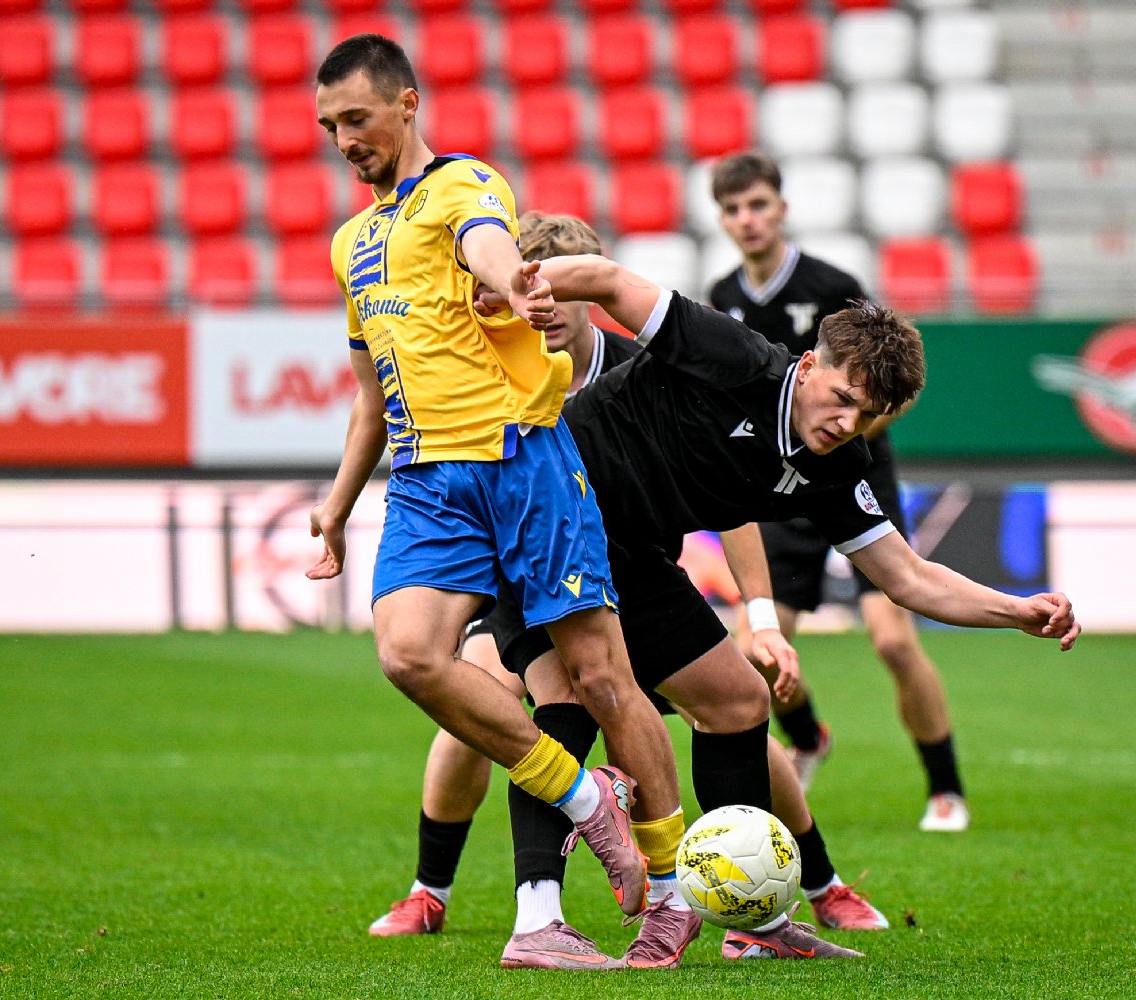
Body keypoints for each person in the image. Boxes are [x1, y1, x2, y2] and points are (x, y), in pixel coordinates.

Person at [478, 252, 1080, 964]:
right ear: (809, 364)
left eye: (868, 415)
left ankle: (749, 919)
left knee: (737, 701)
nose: (846, 421)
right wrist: (519, 286)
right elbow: (611, 282)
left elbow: (909, 577)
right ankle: (540, 920)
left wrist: (1016, 610)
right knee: (572, 702)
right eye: (843, 396)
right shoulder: (734, 356)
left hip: (630, 551)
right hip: (546, 504)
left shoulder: (836, 467)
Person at [370, 216, 892, 965]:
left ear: (581, 294)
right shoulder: (491, 366)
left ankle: (806, 887)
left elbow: (734, 496)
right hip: (532, 550)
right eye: (530, 288)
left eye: (558, 291)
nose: (546, 309)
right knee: (503, 705)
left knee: (737, 706)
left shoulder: (642, 363)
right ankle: (446, 892)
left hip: (637, 571)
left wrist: (762, 616)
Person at [303, 37, 690, 963]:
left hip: (522, 461)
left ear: (406, 104)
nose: (345, 140)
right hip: (426, 478)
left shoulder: (465, 184)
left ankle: (673, 895)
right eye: (329, 127)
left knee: (602, 679)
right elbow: (370, 396)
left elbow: (488, 246)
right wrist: (338, 506)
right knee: (408, 654)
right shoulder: (350, 245)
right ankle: (588, 798)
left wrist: (511, 280)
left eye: (357, 118)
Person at [708, 151, 971, 832]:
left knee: (892, 641)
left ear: (782, 209)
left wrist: (841, 440)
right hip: (778, 485)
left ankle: (946, 789)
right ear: (722, 220)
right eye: (733, 209)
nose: (747, 219)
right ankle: (808, 737)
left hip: (853, 476)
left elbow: (897, 386)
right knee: (756, 648)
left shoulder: (833, 286)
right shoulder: (722, 296)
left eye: (758, 204)